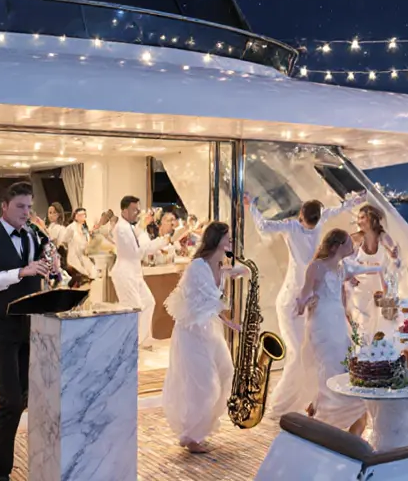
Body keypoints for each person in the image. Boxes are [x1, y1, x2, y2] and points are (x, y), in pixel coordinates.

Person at [245, 190, 366, 416]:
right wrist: (355, 200)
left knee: (311, 353)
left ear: (303, 213)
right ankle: (282, 404)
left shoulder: (293, 225)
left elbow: (263, 226)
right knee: (297, 354)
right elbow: (339, 207)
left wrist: (252, 205)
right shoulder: (304, 224)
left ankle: (314, 401)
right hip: (295, 301)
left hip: (311, 299)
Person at [0, 182, 58, 481]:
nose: (26, 213)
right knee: (10, 399)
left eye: (29, 207)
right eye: (20, 207)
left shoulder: (33, 236)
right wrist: (21, 272)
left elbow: (45, 273)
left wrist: (55, 269)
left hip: (29, 326)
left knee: (23, 397)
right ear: (4, 206)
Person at [161, 221, 248, 454]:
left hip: (209, 329)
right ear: (216, 239)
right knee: (204, 384)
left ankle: (201, 428)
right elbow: (210, 299)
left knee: (226, 371)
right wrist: (232, 322)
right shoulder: (197, 266)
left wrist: (235, 271)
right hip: (192, 332)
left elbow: (214, 301)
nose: (231, 240)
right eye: (228, 237)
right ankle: (190, 435)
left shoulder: (220, 264)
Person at [294, 228, 381, 434]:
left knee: (344, 367)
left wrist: (386, 265)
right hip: (322, 325)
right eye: (348, 243)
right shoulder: (316, 267)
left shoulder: (342, 268)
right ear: (336, 246)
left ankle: (340, 415)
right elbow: (300, 301)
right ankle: (327, 417)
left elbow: (364, 269)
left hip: (340, 325)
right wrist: (309, 301)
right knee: (330, 369)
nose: (352, 246)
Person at [112, 196, 170, 349]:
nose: (137, 212)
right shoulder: (121, 228)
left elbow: (148, 248)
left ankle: (141, 340)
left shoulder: (132, 228)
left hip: (135, 273)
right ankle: (128, 343)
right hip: (124, 273)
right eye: (134, 209)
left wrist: (164, 240)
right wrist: (143, 230)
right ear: (124, 210)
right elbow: (137, 253)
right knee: (133, 307)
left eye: (138, 209)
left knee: (148, 302)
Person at [347, 203, 401, 339]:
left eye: (362, 217)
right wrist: (349, 276)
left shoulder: (381, 236)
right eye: (358, 218)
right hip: (360, 286)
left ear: (371, 218)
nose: (359, 222)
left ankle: (375, 354)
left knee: (380, 323)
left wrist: (393, 253)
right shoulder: (356, 238)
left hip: (380, 286)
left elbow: (391, 247)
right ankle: (362, 352)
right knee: (362, 322)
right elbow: (342, 259)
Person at [61, 207, 96, 285]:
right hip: (74, 256)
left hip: (84, 256)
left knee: (93, 271)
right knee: (82, 271)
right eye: (79, 215)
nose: (82, 217)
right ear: (75, 216)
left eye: (83, 215)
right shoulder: (71, 228)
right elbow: (64, 241)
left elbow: (87, 242)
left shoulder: (85, 228)